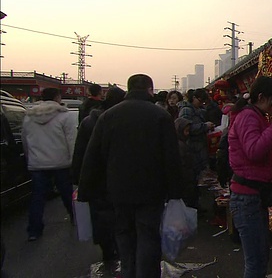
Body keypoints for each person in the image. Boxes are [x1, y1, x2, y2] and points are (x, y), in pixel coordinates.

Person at [78, 74, 181, 278]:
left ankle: (128, 272)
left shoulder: (109, 116)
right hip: (151, 191)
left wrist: (85, 190)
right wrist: (177, 192)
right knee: (148, 236)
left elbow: (93, 155)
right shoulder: (160, 116)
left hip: (117, 190)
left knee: (123, 234)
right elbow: (171, 157)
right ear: (150, 90)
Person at [228, 76, 272, 278]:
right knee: (256, 262)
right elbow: (254, 151)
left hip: (252, 195)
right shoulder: (248, 117)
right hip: (247, 197)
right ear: (262, 97)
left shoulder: (255, 115)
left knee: (260, 257)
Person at [71, 86, 126, 265]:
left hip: (95, 175)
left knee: (100, 215)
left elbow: (80, 152)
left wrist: (78, 178)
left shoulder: (89, 121)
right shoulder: (122, 120)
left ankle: (108, 250)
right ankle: (118, 248)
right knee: (118, 214)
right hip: (117, 175)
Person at [21, 87, 77, 241]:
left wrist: (29, 158)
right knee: (67, 194)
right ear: (58, 98)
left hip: (37, 163)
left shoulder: (29, 116)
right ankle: (76, 219)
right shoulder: (65, 116)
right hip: (61, 162)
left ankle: (34, 231)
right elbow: (71, 141)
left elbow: (25, 140)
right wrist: (74, 162)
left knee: (37, 197)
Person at [179, 88, 214, 178]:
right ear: (194, 97)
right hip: (192, 147)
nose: (201, 103)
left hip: (199, 146)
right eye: (200, 101)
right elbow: (186, 128)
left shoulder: (198, 110)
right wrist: (205, 126)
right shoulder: (187, 110)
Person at [174, 117, 199, 209]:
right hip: (185, 183)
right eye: (186, 131)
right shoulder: (179, 146)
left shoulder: (182, 144)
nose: (188, 133)